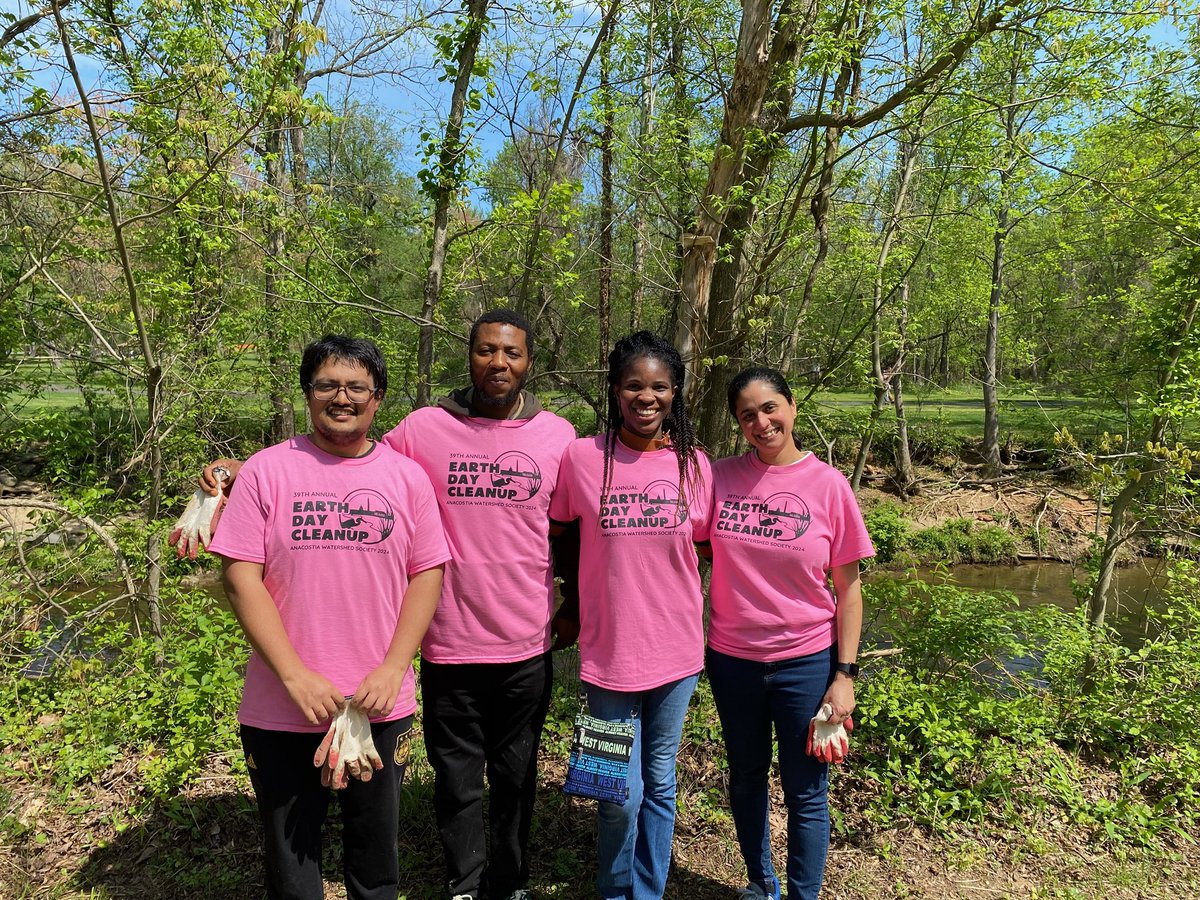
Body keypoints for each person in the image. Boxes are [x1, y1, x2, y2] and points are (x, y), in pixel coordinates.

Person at [200, 310, 577, 900]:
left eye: (512, 352)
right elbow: (329, 465)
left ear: (530, 362)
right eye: (327, 385)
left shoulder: (555, 436)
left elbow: (581, 518)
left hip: (503, 648)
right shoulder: (421, 431)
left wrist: (577, 603)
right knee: (441, 790)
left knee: (494, 786)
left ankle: (508, 883)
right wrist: (238, 470)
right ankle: (464, 883)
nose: (498, 362)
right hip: (425, 652)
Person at [207, 335, 450, 900]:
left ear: (378, 398)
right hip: (282, 706)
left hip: (377, 701)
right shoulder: (268, 472)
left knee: (375, 862)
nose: (341, 397)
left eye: (356, 387)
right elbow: (240, 576)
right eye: (327, 385)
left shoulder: (407, 479)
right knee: (292, 871)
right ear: (307, 394)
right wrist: (294, 674)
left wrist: (395, 667)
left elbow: (427, 575)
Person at [548, 331, 712, 900]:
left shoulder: (695, 465)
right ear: (616, 390)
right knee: (615, 790)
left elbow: (708, 549)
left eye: (660, 387)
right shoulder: (582, 457)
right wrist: (567, 605)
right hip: (605, 655)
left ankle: (648, 892)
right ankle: (614, 890)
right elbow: (559, 536)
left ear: (676, 393)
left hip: (678, 654)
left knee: (661, 783)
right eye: (635, 385)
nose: (648, 397)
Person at [703, 367, 874, 900]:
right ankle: (761, 884)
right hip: (732, 660)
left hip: (806, 661)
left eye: (770, 407)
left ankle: (803, 894)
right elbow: (691, 540)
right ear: (738, 423)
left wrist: (844, 675)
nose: (761, 421)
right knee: (747, 778)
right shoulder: (719, 475)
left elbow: (848, 591)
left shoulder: (829, 485)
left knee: (806, 791)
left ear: (792, 406)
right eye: (748, 414)